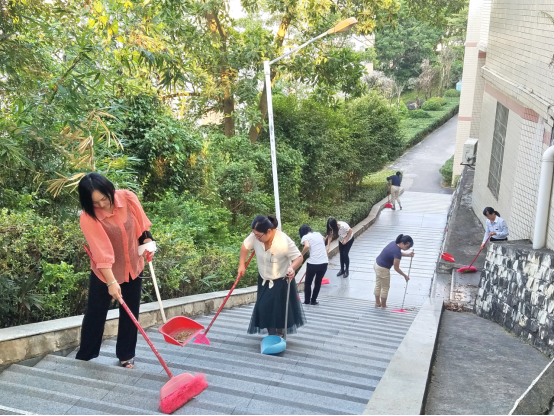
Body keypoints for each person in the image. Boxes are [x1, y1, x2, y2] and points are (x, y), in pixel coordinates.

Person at [77, 173, 154, 369]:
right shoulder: (88, 217)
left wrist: (147, 241)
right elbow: (101, 251)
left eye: (104, 198)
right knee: (95, 314)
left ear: (109, 190)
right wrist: (111, 282)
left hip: (133, 267)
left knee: (130, 313)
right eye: (95, 202)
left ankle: (126, 355)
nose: (101, 205)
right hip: (105, 273)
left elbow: (141, 226)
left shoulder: (128, 198)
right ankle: (85, 355)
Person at [238, 215, 306, 336]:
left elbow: (299, 257)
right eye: (254, 234)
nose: (256, 238)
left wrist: (291, 268)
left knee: (278, 310)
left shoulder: (283, 241)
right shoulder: (255, 236)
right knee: (264, 307)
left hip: (281, 279)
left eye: (259, 235)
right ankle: (272, 334)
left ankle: (278, 333)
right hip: (264, 278)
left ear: (269, 231)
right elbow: (245, 246)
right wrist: (241, 265)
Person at [374, 234, 415, 308]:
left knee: (378, 284)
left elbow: (395, 254)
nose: (407, 248)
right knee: (385, 287)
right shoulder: (397, 252)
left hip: (377, 264)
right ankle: (383, 305)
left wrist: (408, 255)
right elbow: (396, 268)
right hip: (383, 269)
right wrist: (405, 275)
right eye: (407, 246)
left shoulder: (394, 243)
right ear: (402, 243)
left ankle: (377, 303)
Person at [299, 225, 329, 306]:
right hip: (324, 262)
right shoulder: (318, 234)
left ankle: (307, 301)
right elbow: (325, 240)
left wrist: (301, 255)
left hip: (313, 263)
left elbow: (307, 246)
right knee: (318, 283)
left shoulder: (305, 237)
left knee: (308, 283)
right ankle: (313, 301)